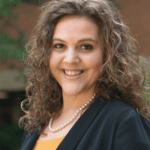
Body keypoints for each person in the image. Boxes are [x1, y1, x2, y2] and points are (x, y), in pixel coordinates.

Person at [19, 0, 150, 149]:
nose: (70, 59)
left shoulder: (123, 121)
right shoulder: (37, 123)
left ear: (108, 54)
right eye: (59, 46)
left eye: (86, 47)